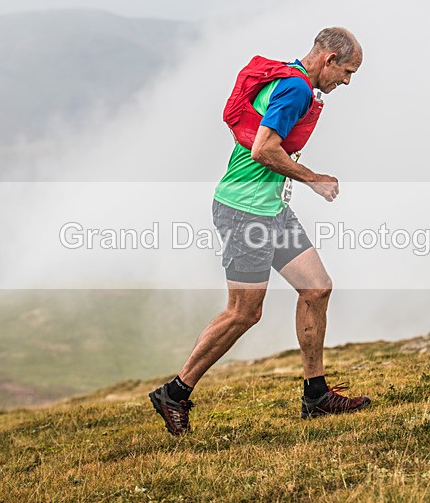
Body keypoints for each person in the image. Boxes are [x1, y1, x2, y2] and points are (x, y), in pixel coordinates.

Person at [149, 27, 370, 436]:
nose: (347, 81)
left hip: (271, 210)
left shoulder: (291, 77)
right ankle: (174, 393)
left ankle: (316, 395)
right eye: (348, 72)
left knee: (317, 288)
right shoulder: (296, 90)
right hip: (243, 212)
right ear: (329, 61)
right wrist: (313, 179)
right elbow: (264, 148)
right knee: (244, 312)